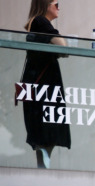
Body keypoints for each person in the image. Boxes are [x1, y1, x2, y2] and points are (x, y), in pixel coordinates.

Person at [20, 0, 70, 169]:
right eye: (56, 3)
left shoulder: (36, 24)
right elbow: (63, 46)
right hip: (45, 85)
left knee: (43, 131)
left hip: (38, 85)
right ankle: (44, 167)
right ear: (45, 4)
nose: (59, 7)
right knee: (50, 128)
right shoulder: (41, 21)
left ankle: (43, 167)